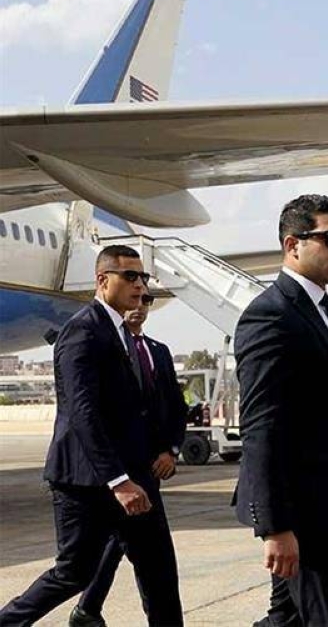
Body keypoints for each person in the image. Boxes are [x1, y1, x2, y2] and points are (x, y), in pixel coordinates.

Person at [0, 246, 183, 627]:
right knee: (73, 573)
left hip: (137, 478)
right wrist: (118, 481)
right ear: (103, 280)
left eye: (143, 278)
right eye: (130, 277)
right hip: (89, 484)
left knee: (160, 574)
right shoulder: (81, 331)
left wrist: (160, 454)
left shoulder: (123, 335)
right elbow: (82, 413)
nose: (140, 285)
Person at [234, 194, 328, 626]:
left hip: (327, 501)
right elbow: (261, 426)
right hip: (301, 510)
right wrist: (275, 527)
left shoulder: (325, 312)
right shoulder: (270, 316)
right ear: (292, 244)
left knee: (286, 619)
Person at [71, 294, 188, 625]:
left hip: (149, 468)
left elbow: (176, 408)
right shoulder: (104, 343)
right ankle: (87, 607)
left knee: (148, 558)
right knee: (108, 550)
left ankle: (88, 609)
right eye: (135, 298)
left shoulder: (158, 351)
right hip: (115, 471)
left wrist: (172, 450)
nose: (140, 305)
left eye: (147, 300)